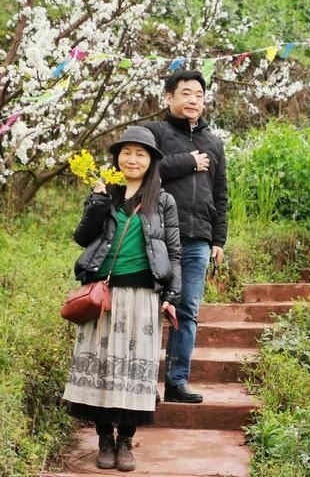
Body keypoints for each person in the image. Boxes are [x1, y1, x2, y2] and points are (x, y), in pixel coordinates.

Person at [63, 126, 181, 472]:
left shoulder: (163, 201)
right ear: (116, 158)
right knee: (102, 371)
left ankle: (126, 441)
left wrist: (171, 294)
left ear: (151, 161)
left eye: (140, 154)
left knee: (134, 373)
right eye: (126, 152)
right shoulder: (104, 192)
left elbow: (174, 251)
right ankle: (103, 438)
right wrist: (97, 203)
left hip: (144, 298)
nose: (132, 159)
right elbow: (82, 237)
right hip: (104, 297)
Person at [144, 70, 227, 403]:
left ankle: (177, 383)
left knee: (188, 310)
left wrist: (218, 239)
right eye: (187, 93)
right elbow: (142, 169)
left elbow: (221, 195)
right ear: (168, 97)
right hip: (156, 236)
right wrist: (187, 162)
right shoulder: (155, 133)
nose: (194, 100)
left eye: (200, 95)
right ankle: (143, 384)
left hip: (197, 240)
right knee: (149, 308)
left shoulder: (214, 143)